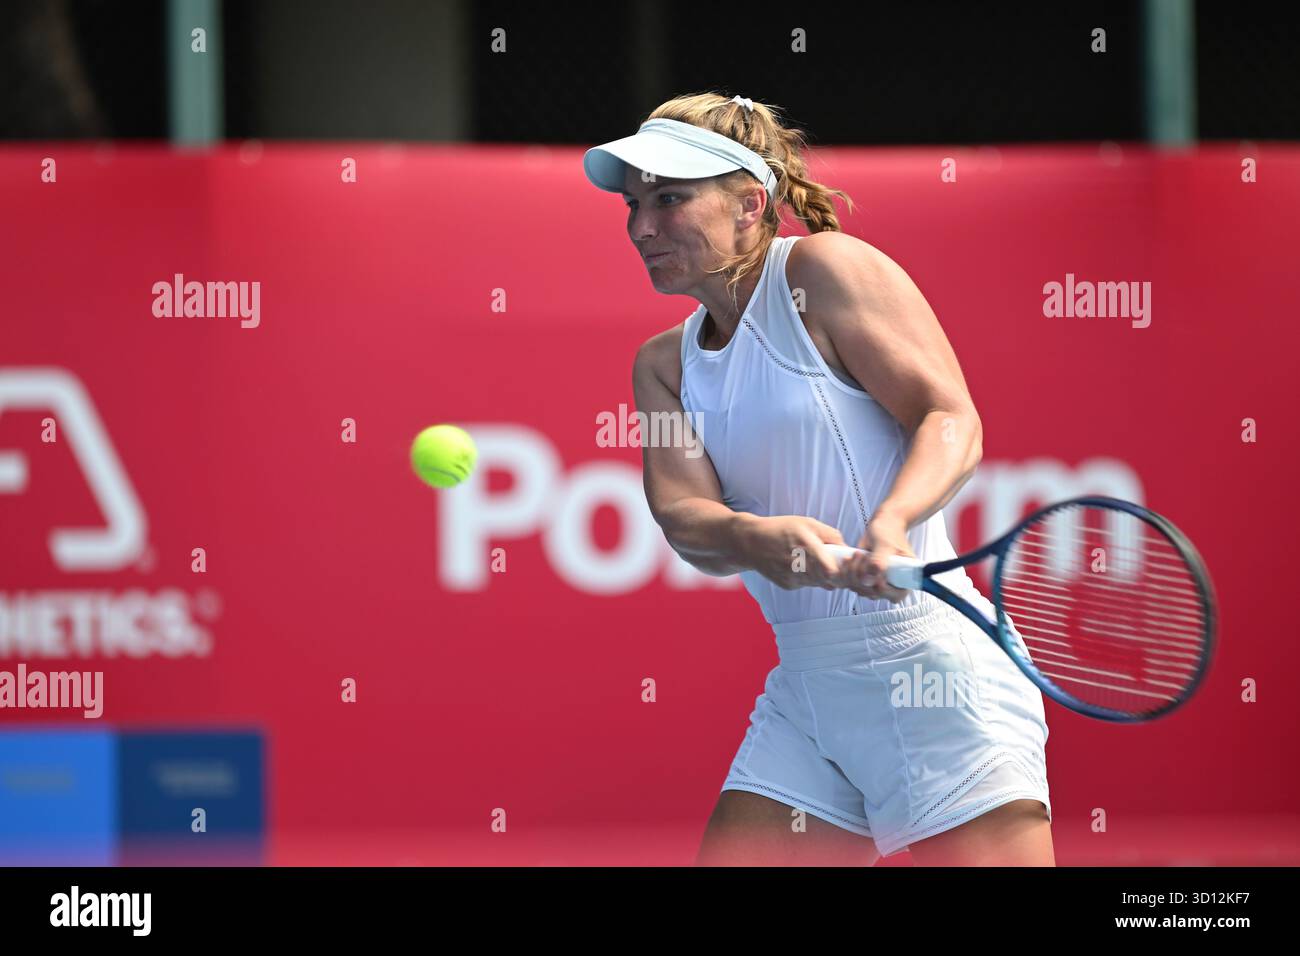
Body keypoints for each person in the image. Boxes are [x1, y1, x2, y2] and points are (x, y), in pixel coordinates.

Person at [583, 92, 1053, 866]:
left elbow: (948, 418)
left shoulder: (829, 270)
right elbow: (683, 516)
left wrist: (893, 523)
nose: (640, 227)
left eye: (669, 200)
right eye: (634, 204)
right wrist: (757, 538)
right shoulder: (662, 366)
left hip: (935, 682)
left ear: (748, 205)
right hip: (807, 695)